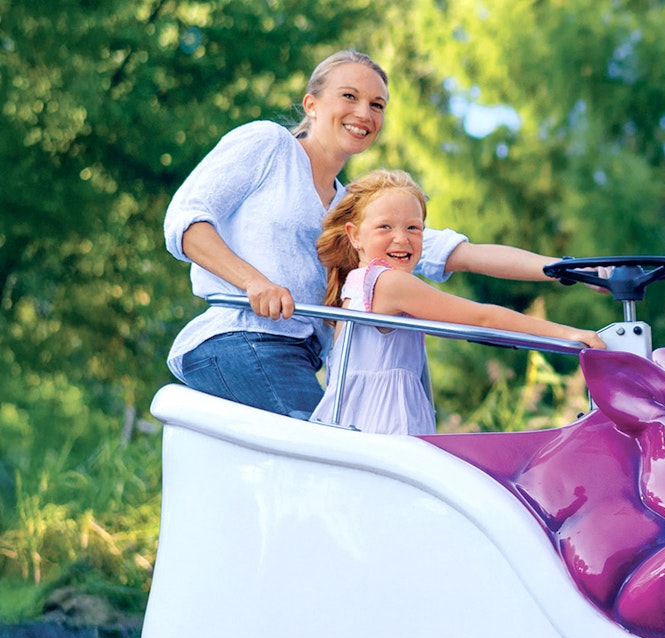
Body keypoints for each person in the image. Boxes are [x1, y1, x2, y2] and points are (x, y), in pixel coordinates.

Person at [163, 49, 592, 417]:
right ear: (311, 104)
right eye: (349, 97)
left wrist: (575, 270)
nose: (364, 113)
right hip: (240, 337)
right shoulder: (268, 145)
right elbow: (186, 220)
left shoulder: (356, 210)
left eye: (377, 104)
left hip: (304, 357)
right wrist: (254, 282)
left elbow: (462, 252)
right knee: (325, 456)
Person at [309, 169, 605, 435]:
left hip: (364, 426)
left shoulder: (357, 284)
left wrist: (568, 269)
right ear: (354, 235)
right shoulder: (387, 283)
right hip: (381, 430)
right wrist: (570, 335)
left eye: (413, 228)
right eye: (385, 227)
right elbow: (482, 318)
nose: (401, 238)